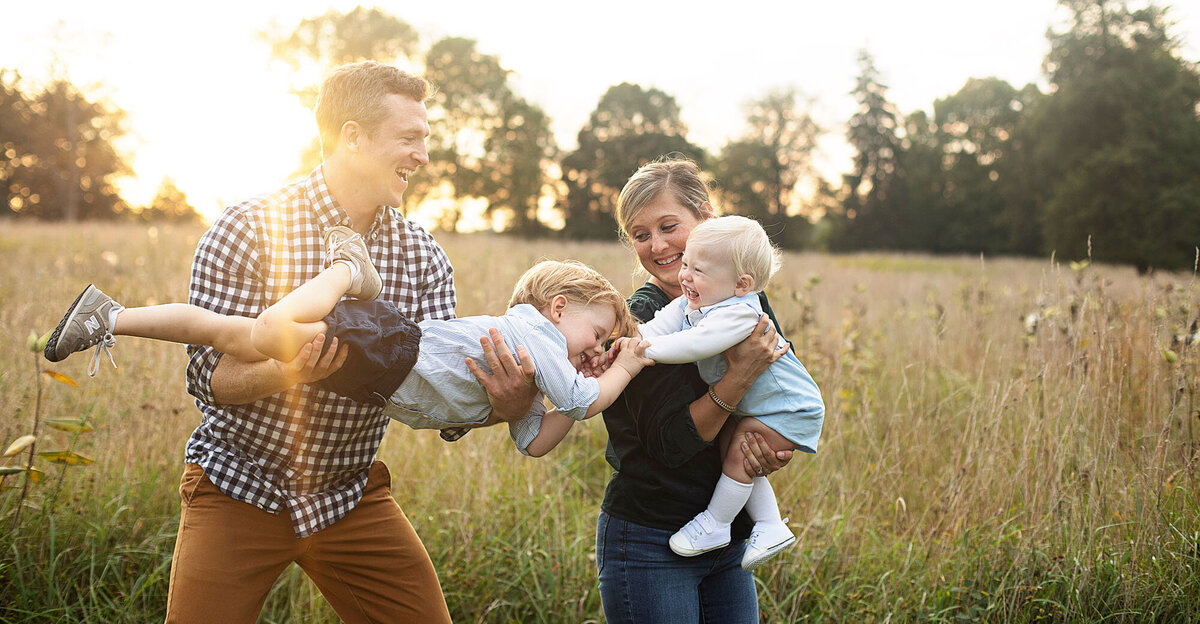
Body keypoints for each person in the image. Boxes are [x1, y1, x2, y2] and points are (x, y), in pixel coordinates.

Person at [73, 61, 538, 624]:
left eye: (425, 140)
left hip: (349, 494)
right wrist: (289, 374)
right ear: (353, 137)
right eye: (409, 138)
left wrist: (503, 407)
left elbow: (438, 388)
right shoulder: (246, 228)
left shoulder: (423, 256)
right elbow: (210, 381)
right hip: (240, 484)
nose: (422, 156)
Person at [45, 250, 650, 458]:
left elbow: (532, 442)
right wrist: (618, 367)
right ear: (560, 307)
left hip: (379, 371)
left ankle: (112, 316)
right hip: (388, 351)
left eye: (602, 346)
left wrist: (556, 399)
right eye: (597, 335)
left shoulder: (537, 363)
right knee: (259, 334)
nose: (594, 349)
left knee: (233, 333)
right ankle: (344, 271)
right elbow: (582, 399)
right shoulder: (539, 339)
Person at [594, 156, 801, 624]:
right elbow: (672, 444)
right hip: (650, 540)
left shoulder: (742, 294)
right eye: (641, 235)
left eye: (669, 226)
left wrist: (767, 447)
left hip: (728, 539)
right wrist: (738, 377)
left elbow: (778, 383)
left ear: (706, 217)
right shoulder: (636, 321)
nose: (658, 245)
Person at [635, 215, 824, 568]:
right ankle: (768, 524)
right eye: (686, 265)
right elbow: (660, 324)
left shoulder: (738, 313)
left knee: (740, 453)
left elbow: (694, 344)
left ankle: (717, 523)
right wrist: (634, 340)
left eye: (698, 270)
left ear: (741, 284)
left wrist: (644, 352)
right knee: (735, 451)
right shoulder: (698, 301)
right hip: (766, 408)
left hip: (789, 408)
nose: (685, 276)